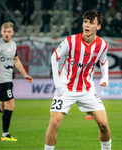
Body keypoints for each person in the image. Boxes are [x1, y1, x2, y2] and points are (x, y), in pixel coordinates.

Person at [44, 10, 111, 150]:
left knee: (104, 124)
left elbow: (103, 60)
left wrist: (105, 76)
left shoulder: (102, 45)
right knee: (54, 123)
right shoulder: (71, 41)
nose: (87, 25)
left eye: (91, 23)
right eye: (85, 21)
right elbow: (54, 57)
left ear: (98, 27)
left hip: (87, 89)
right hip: (65, 88)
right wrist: (57, 83)